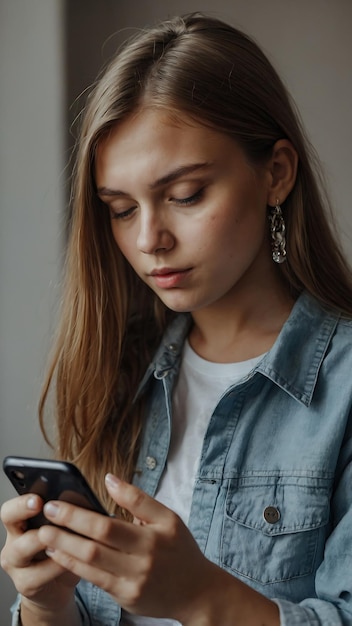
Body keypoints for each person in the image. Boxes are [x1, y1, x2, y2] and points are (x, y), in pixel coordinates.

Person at [1, 11, 352, 626]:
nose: (149, 239)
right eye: (119, 209)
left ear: (276, 174)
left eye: (185, 195)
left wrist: (202, 598)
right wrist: (43, 603)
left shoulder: (344, 389)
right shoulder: (121, 369)